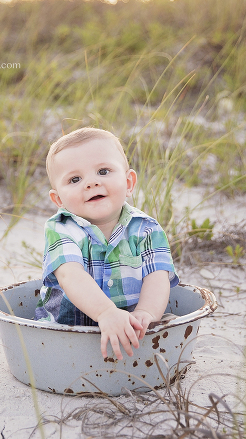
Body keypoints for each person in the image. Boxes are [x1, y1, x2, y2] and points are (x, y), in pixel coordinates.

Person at [35, 127, 179, 360]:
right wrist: (106, 312)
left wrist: (146, 312)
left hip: (130, 330)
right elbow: (70, 275)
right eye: (75, 179)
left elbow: (157, 276)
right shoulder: (61, 228)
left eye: (103, 171)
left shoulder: (147, 228)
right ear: (59, 199)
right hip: (66, 334)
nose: (91, 183)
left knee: (167, 324)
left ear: (128, 182)